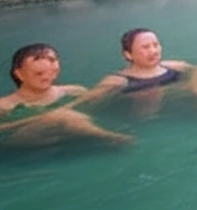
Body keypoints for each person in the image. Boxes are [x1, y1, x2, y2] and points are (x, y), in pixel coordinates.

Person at [0, 43, 132, 147]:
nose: (46, 77)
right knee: (62, 117)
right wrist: (45, 118)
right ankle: (107, 138)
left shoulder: (73, 91)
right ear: (19, 74)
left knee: (108, 89)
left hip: (71, 132)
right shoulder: (5, 105)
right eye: (39, 74)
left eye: (51, 71)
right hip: (31, 139)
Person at [69, 29, 192, 117]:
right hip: (140, 122)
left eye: (156, 45)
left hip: (177, 115)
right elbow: (84, 103)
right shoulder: (118, 81)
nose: (153, 51)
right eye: (145, 47)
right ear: (128, 54)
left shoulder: (178, 67)